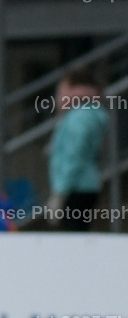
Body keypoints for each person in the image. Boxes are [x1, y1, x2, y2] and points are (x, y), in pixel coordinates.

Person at [48, 69, 108, 232]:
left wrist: (61, 190)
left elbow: (74, 155)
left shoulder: (80, 117)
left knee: (74, 236)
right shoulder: (88, 113)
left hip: (76, 187)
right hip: (82, 184)